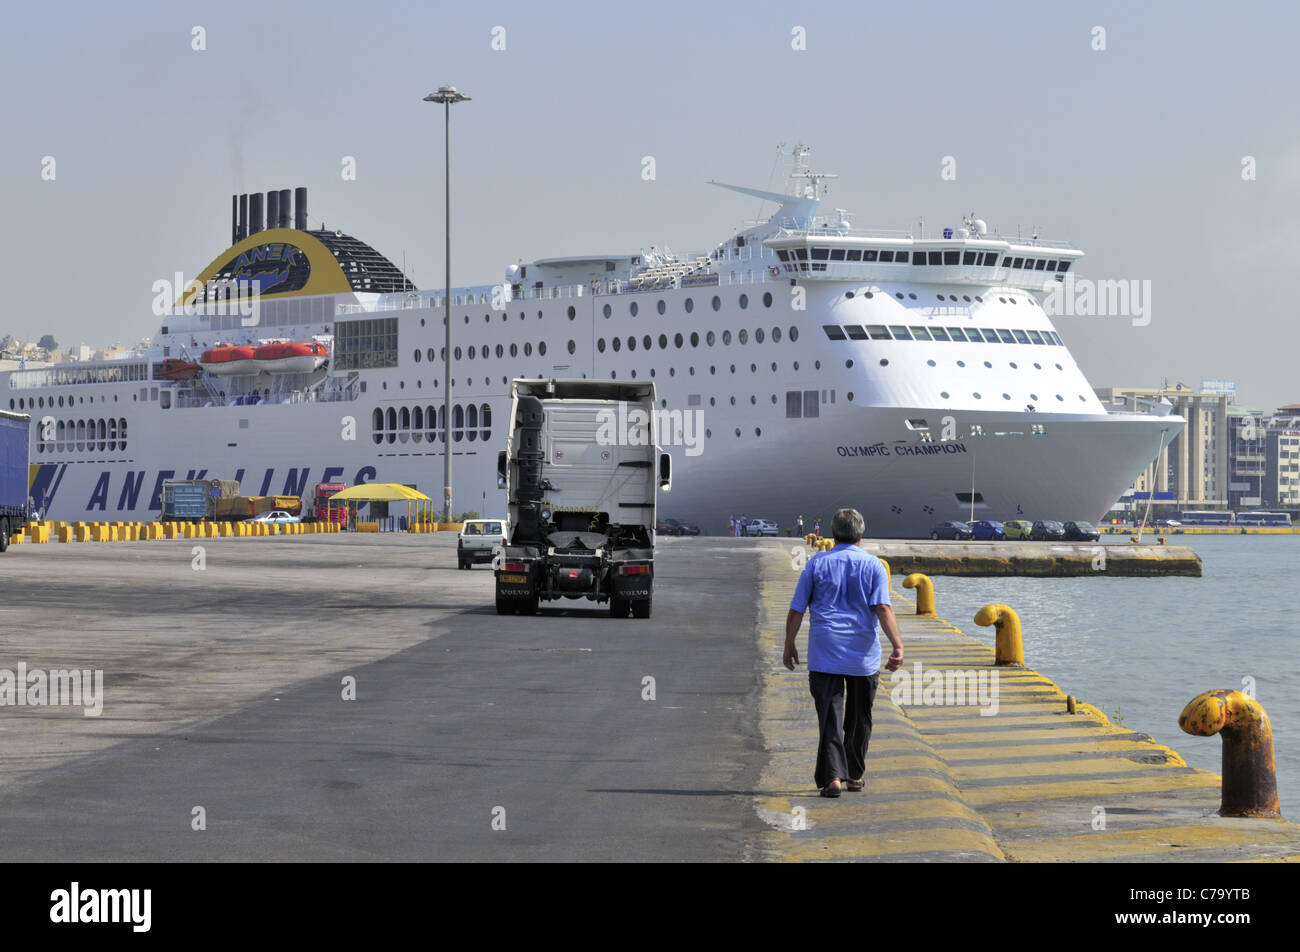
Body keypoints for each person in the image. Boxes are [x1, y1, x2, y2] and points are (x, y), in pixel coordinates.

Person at [783, 508, 903, 798]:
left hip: (825, 653)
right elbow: (883, 609)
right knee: (860, 716)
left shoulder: (816, 564)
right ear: (861, 533)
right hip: (862, 655)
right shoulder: (873, 565)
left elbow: (798, 607)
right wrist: (897, 646)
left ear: (833, 534)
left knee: (829, 717)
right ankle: (853, 775)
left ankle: (832, 777)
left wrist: (789, 644)